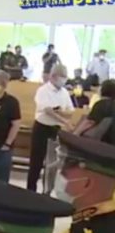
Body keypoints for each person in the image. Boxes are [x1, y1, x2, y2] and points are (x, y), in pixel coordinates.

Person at [29, 64, 75, 192]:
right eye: (62, 77)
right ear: (53, 76)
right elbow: (48, 110)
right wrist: (64, 120)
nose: (64, 80)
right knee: (36, 161)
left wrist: (59, 112)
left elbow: (70, 111)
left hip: (55, 129)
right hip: (42, 128)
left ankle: (47, 191)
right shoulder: (43, 90)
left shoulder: (64, 92)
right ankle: (30, 190)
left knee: (52, 163)